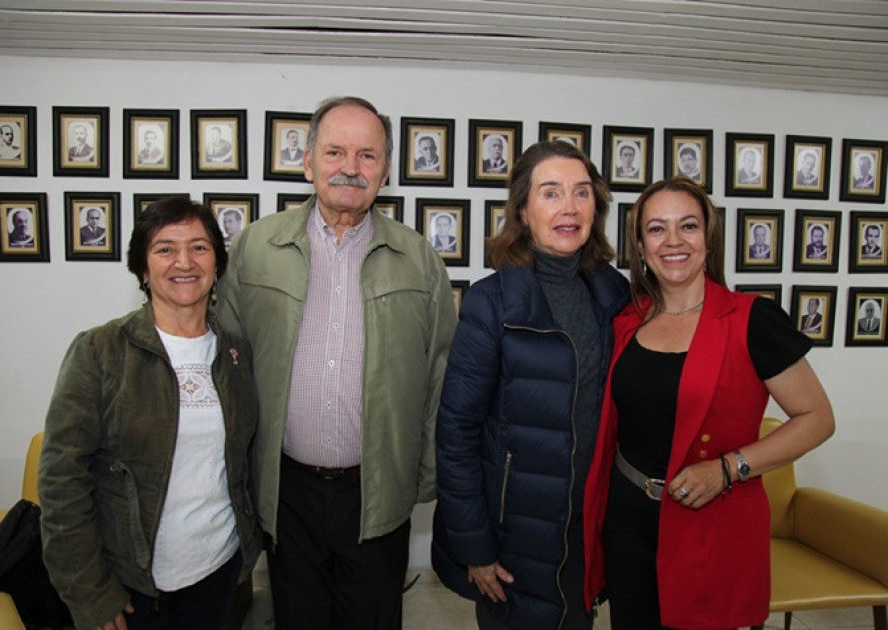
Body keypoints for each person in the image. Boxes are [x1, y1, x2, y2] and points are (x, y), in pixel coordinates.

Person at [216, 96, 457, 630]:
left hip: (377, 495)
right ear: (308, 163)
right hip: (287, 493)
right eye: (335, 151)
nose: (351, 167)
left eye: (368, 155)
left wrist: (423, 478)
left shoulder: (419, 260)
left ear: (386, 171)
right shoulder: (256, 248)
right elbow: (224, 368)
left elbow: (442, 378)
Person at [583, 176, 834, 629]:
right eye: (657, 229)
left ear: (708, 238)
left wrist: (728, 467)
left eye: (689, 226)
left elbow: (817, 418)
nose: (674, 241)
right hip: (629, 520)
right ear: (640, 246)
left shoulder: (752, 319)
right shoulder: (626, 319)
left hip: (710, 522)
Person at [433, 141, 630, 630]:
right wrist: (474, 547)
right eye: (551, 193)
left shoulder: (616, 295)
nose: (569, 207)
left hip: (588, 526)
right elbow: (456, 434)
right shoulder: (490, 302)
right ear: (523, 211)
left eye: (582, 193)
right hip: (513, 534)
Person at [39, 197, 261, 630]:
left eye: (199, 247)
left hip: (219, 570)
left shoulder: (236, 353)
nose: (184, 261)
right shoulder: (99, 352)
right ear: (142, 268)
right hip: (131, 585)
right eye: (165, 249)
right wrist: (90, 592)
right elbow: (61, 483)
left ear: (217, 264)